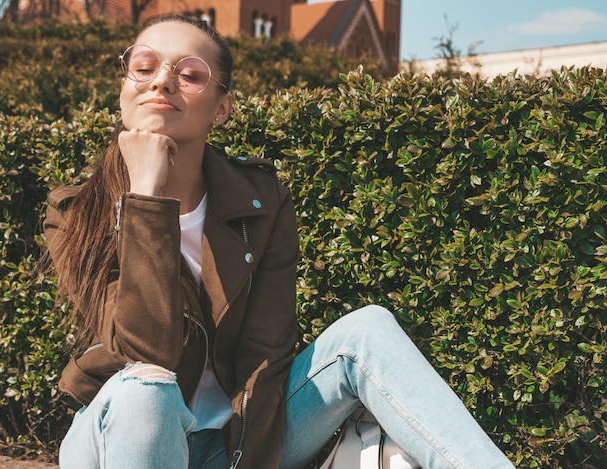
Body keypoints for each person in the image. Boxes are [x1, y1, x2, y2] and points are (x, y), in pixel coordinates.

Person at [43, 14, 514, 469]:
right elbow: (148, 356)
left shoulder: (260, 201)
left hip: (234, 444)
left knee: (366, 331)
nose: (162, 81)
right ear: (125, 88)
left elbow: (266, 356)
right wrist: (146, 195)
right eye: (144, 68)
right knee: (146, 389)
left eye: (189, 74)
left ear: (221, 108)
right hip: (120, 439)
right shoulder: (74, 214)